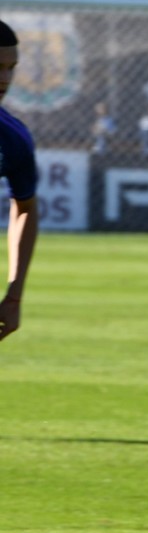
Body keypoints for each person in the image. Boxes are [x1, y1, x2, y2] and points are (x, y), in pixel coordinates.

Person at [0, 20, 38, 343]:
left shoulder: (12, 138)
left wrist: (14, 295)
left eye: (11, 68)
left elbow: (24, 208)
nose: (5, 79)